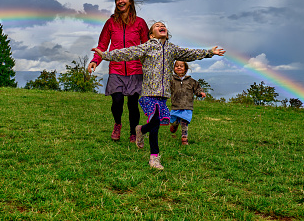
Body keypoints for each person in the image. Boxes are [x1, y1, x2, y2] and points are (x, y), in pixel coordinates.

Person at [92, 21, 225, 170]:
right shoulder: (147, 46)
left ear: (167, 33)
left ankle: (141, 130)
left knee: (157, 122)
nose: (161, 26)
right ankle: (154, 158)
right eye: (157, 25)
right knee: (155, 121)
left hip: (163, 96)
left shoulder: (172, 49)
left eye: (164, 25)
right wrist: (105, 55)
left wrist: (209, 52)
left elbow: (190, 53)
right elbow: (127, 52)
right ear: (151, 34)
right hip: (148, 93)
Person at [88, 0, 149, 143]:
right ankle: (117, 123)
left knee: (133, 104)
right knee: (117, 102)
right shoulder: (110, 22)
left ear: (130, 2)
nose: (120, 1)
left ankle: (134, 132)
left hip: (135, 69)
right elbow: (102, 44)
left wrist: (151, 66)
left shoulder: (140, 23)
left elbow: (147, 47)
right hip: (116, 69)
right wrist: (95, 60)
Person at [169, 60, 206, 145]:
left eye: (181, 66)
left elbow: (197, 89)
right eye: (177, 66)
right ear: (174, 68)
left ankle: (184, 138)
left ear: (185, 69)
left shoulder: (191, 81)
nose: (179, 67)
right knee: (174, 121)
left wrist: (200, 93)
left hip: (187, 106)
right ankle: (175, 125)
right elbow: (166, 89)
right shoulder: (171, 80)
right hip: (175, 106)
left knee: (184, 122)